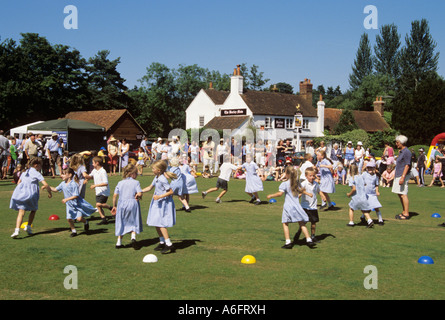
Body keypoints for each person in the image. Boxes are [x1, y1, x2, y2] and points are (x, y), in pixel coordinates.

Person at [266, 166, 316, 249]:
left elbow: (280, 194)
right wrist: (308, 194)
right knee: (302, 223)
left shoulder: (285, 184)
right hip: (297, 206)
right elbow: (301, 191)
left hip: (288, 207)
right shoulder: (297, 183)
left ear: (287, 174)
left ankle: (288, 242)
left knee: (285, 223)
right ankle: (309, 240)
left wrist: (271, 195)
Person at [10, 157, 52, 238]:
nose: (40, 168)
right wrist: (50, 193)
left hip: (22, 194)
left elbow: (18, 182)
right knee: (33, 210)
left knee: (21, 212)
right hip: (32, 194)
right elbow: (45, 184)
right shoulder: (37, 173)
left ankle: (16, 230)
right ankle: (28, 227)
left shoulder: (24, 172)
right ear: (36, 165)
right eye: (40, 166)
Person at [141, 160, 177, 254]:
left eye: (153, 168)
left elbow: (170, 192)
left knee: (161, 223)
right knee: (156, 222)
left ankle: (169, 244)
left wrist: (159, 196)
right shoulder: (157, 177)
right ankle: (162, 242)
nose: (152, 169)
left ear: (159, 170)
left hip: (163, 203)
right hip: (157, 203)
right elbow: (150, 187)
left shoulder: (162, 179)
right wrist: (140, 191)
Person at [48, 168, 96, 237]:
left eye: (64, 174)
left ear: (70, 175)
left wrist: (66, 199)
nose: (61, 175)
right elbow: (55, 189)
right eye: (62, 174)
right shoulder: (62, 184)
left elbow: (76, 195)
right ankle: (74, 231)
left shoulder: (74, 184)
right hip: (69, 205)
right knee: (69, 219)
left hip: (77, 205)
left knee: (79, 219)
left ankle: (86, 222)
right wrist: (47, 187)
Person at [111, 164, 143, 248]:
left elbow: (115, 195)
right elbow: (139, 192)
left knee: (121, 221)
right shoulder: (136, 182)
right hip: (132, 203)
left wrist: (114, 206)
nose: (137, 175)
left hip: (122, 204)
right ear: (131, 173)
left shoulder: (120, 183)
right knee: (134, 221)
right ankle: (133, 237)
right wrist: (138, 196)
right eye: (136, 173)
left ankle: (119, 242)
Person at [300, 167, 326, 243]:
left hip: (313, 207)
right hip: (305, 206)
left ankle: (313, 236)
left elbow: (319, 191)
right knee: (303, 223)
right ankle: (300, 233)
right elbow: (300, 192)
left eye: (313, 176)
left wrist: (323, 196)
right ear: (306, 176)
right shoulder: (303, 183)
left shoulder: (316, 184)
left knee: (313, 223)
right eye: (310, 176)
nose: (312, 177)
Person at [85, 156, 113, 225]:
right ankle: (103, 219)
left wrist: (95, 185)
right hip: (98, 191)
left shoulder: (103, 171)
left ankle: (111, 208)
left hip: (104, 191)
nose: (92, 164)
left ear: (97, 163)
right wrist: (86, 178)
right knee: (99, 206)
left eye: (93, 163)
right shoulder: (94, 170)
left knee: (98, 204)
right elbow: (91, 176)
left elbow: (105, 183)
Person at [393, 135, 412, 220]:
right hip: (398, 174)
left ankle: (406, 213)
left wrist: (402, 177)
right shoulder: (401, 151)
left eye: (397, 142)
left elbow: (407, 165)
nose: (396, 144)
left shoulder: (407, 152)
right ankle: (404, 211)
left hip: (402, 175)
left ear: (402, 143)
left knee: (403, 194)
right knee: (399, 194)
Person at [362, 160, 384, 225]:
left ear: (374, 168)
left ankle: (380, 220)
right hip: (366, 194)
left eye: (371, 167)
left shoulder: (375, 176)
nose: (369, 169)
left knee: (376, 207)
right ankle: (363, 217)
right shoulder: (364, 174)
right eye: (368, 167)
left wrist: (377, 191)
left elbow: (376, 185)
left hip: (373, 194)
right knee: (366, 207)